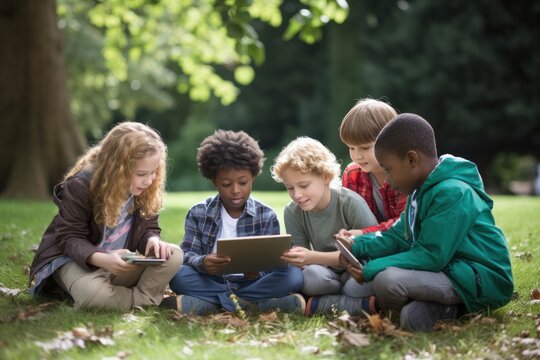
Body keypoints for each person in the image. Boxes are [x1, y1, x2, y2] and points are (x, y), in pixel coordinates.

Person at [338, 113, 514, 331]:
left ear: (412, 159)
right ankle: (429, 307)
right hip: (447, 271)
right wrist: (358, 245)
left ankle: (456, 307)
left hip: (477, 278)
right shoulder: (419, 192)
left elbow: (431, 255)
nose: (389, 181)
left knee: (387, 280)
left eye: (389, 170)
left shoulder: (452, 193)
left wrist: (372, 267)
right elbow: (397, 236)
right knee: (398, 310)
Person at [28, 122, 183, 310]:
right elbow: (69, 238)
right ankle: (146, 299)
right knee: (93, 295)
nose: (150, 180)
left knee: (174, 255)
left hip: (118, 263)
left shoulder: (143, 189)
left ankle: (118, 297)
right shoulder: (81, 186)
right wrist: (103, 259)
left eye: (154, 172)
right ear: (117, 168)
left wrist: (152, 240)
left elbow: (148, 227)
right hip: (78, 261)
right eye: (142, 173)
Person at [168, 130, 304, 315]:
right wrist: (203, 262)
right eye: (226, 184)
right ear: (214, 181)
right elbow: (186, 254)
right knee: (178, 276)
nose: (235, 190)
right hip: (212, 280)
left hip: (252, 282)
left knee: (293, 275)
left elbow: (274, 263)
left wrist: (258, 272)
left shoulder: (266, 215)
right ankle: (251, 304)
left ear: (253, 177)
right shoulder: (198, 212)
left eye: (243, 182)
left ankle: (215, 304)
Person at [270, 136, 378, 313]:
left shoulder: (351, 203)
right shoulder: (292, 211)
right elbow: (303, 261)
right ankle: (349, 302)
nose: (297, 195)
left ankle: (326, 302)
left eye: (304, 185)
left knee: (358, 285)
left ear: (326, 177)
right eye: (290, 188)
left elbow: (372, 249)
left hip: (357, 267)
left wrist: (312, 257)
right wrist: (298, 259)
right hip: (325, 272)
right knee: (310, 278)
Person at [338, 98, 407, 237]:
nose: (357, 156)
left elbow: (405, 224)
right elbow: (346, 217)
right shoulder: (352, 174)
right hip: (366, 247)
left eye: (364, 148)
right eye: (351, 147)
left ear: (388, 141)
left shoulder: (405, 174)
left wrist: (364, 233)